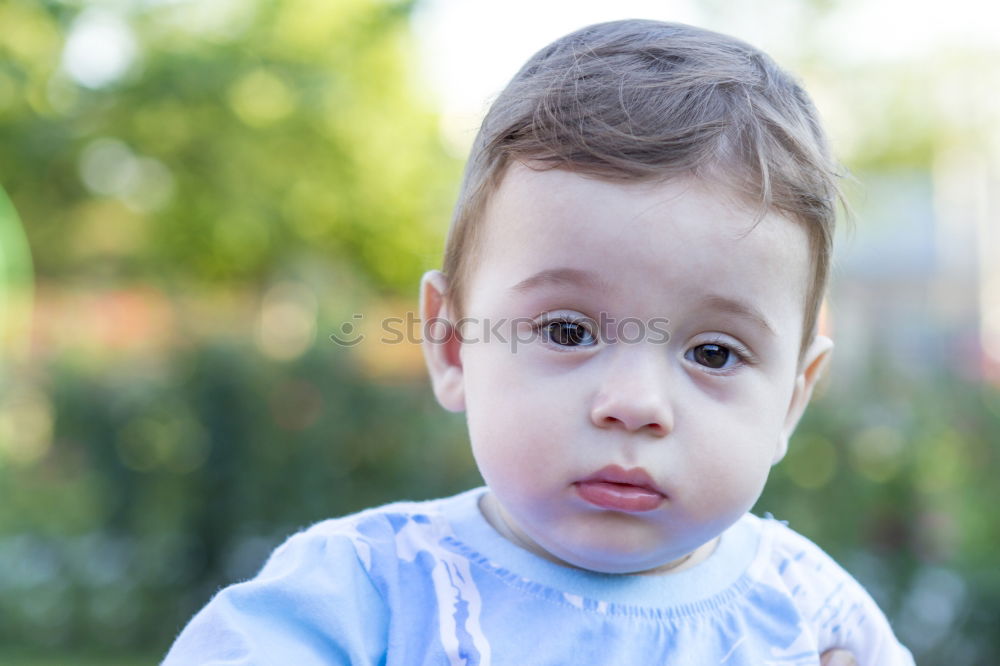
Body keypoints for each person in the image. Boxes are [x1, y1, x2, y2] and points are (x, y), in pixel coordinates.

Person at [163, 19, 913, 665]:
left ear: (792, 397)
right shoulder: (362, 594)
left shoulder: (813, 616)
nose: (635, 404)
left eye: (713, 352)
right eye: (568, 330)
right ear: (455, 347)